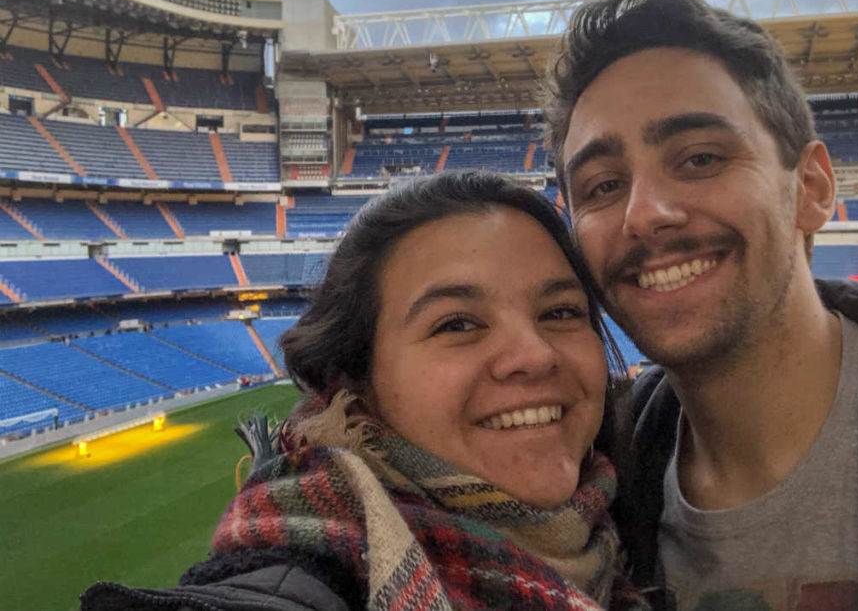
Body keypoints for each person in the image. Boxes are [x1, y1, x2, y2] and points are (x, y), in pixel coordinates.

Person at [542, 0, 858, 610]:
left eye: (699, 159)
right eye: (603, 185)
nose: (645, 214)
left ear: (813, 188)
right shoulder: (580, 500)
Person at [81, 171, 647, 611]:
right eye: (456, 324)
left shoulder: (635, 531)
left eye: (561, 311)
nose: (536, 354)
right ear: (353, 380)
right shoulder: (297, 584)